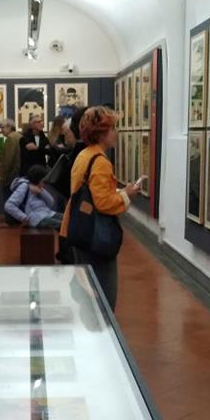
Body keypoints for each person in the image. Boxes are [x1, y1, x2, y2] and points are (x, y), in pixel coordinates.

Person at [60, 106, 139, 309]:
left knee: (87, 292)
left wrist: (118, 191)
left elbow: (93, 193)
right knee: (103, 297)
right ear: (101, 133)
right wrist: (127, 195)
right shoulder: (100, 161)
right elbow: (103, 203)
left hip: (79, 228)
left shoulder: (84, 155)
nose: (115, 132)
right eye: (112, 128)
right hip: (94, 235)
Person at [4, 165, 63, 230]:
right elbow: (9, 205)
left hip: (48, 213)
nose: (45, 183)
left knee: (68, 219)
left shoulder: (38, 186)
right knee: (63, 226)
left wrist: (41, 192)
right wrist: (23, 217)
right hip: (37, 219)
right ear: (37, 179)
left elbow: (51, 203)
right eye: (43, 180)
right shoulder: (24, 186)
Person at [0, 120, 23, 226]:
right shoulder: (19, 136)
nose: (1, 130)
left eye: (3, 127)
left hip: (11, 175)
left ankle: (9, 221)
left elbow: (8, 160)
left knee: (8, 198)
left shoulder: (10, 138)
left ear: (9, 127)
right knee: (17, 198)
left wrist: (3, 176)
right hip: (19, 173)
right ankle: (17, 219)